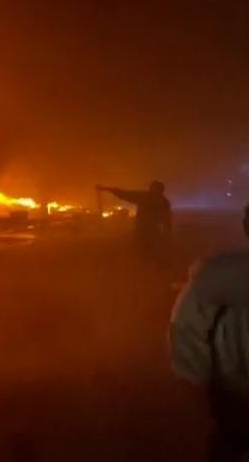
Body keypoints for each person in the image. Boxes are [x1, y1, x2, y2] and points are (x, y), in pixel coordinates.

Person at [170, 204, 249, 461]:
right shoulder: (214, 280)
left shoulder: (211, 280)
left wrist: (198, 382)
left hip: (232, 394)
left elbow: (185, 335)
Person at [96, 181, 172, 256]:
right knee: (150, 252)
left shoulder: (146, 197)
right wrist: (168, 234)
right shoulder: (163, 202)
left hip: (143, 230)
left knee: (141, 251)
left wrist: (104, 188)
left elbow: (124, 194)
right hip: (152, 230)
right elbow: (167, 220)